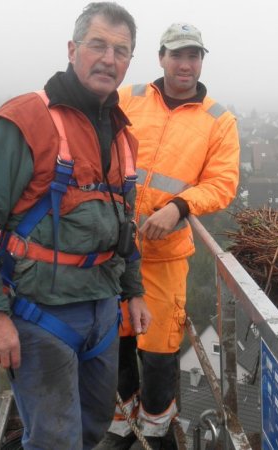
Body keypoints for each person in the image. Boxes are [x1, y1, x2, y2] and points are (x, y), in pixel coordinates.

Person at [0, 3, 151, 449]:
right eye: (97, 45)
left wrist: (133, 290)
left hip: (103, 312)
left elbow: (124, 224)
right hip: (42, 314)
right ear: (72, 48)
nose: (109, 59)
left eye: (121, 50)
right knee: (55, 440)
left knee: (94, 428)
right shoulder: (26, 120)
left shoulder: (120, 133)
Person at [96, 22, 240, 449]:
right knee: (114, 335)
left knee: (158, 344)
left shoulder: (218, 120)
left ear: (201, 61)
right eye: (177, 54)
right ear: (161, 57)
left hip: (163, 252)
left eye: (194, 55)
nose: (185, 63)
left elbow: (222, 183)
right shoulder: (128, 97)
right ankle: (121, 424)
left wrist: (178, 206)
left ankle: (156, 431)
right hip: (110, 246)